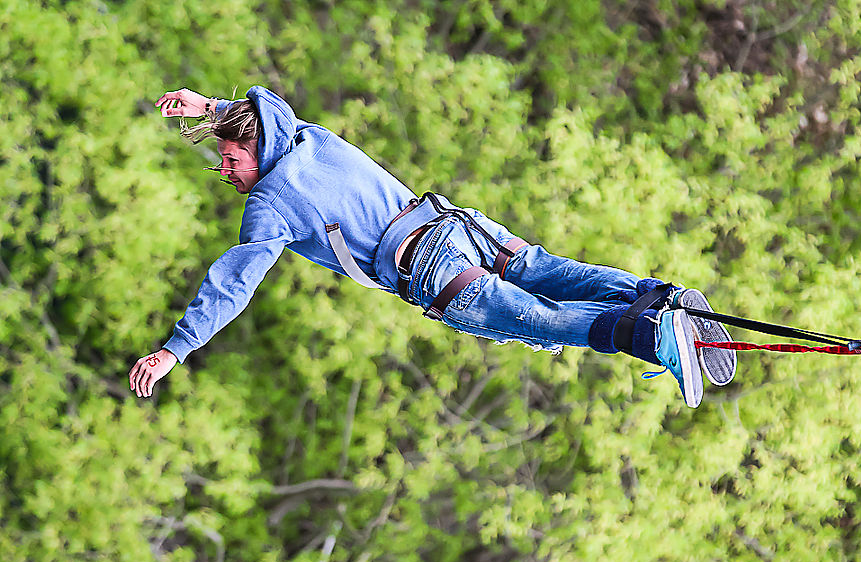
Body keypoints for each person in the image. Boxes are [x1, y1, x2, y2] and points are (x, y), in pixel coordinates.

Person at [129, 86, 737, 407]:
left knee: (546, 323)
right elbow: (265, 108)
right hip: (458, 226)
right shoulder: (308, 138)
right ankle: (668, 300)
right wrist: (208, 107)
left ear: (254, 146)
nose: (228, 172)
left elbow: (233, 281)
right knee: (554, 273)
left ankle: (653, 334)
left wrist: (175, 350)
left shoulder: (270, 204)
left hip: (430, 270)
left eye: (231, 159)